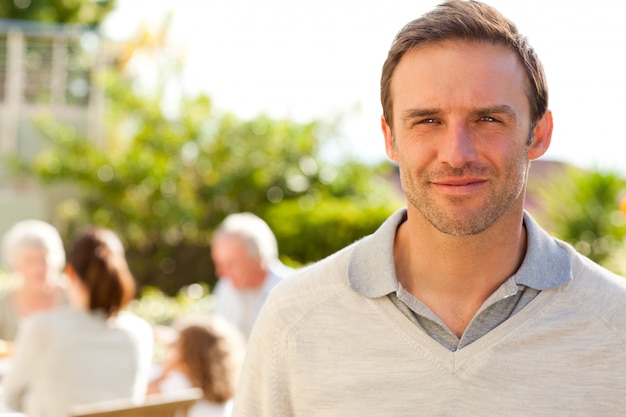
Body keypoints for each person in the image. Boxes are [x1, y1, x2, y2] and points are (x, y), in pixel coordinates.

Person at [232, 1, 626, 415]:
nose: (456, 154)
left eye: (488, 119)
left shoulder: (616, 325)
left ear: (539, 134)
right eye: (427, 121)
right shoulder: (294, 321)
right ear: (390, 138)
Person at [3, 226, 153, 417]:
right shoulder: (140, 331)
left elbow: (10, 399)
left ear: (69, 272)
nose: (38, 269)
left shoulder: (42, 327)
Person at [210, 212, 292, 340]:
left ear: (258, 259)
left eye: (230, 264)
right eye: (219, 263)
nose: (220, 272)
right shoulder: (225, 285)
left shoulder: (291, 291)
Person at [148, 315, 245, 417]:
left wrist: (166, 369)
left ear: (189, 353)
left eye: (177, 345)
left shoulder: (179, 384)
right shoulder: (227, 392)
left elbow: (143, 397)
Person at [0, 219, 67, 352]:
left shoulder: (73, 298)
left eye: (43, 259)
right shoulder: (3, 304)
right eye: (29, 261)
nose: (37, 269)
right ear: (15, 264)